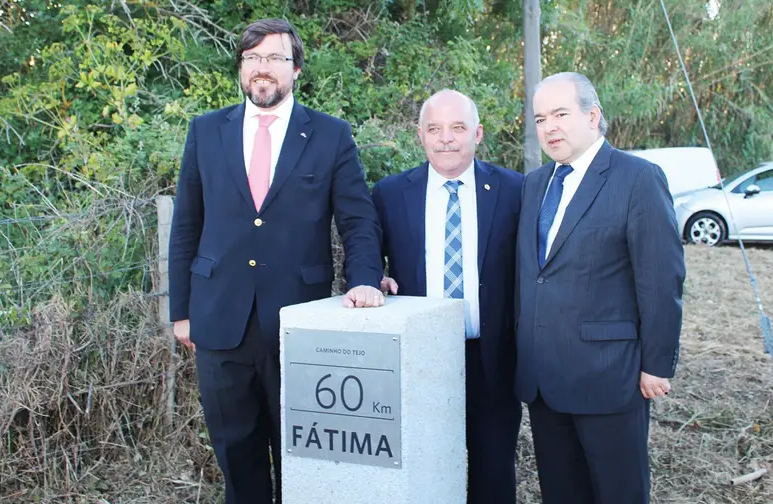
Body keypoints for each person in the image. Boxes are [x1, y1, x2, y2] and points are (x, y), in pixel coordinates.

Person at [167, 18, 385, 504]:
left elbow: (357, 220)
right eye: (252, 58)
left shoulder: (330, 135)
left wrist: (365, 279)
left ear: (297, 68)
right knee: (236, 456)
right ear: (241, 68)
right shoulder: (206, 132)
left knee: (302, 458)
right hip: (219, 321)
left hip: (298, 323)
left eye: (274, 58)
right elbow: (186, 226)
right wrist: (180, 312)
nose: (262, 69)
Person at [514, 72, 685, 504]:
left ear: (593, 116)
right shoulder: (535, 184)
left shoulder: (638, 178)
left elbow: (661, 279)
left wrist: (657, 364)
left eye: (560, 114)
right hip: (544, 381)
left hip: (610, 377)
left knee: (617, 493)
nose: (549, 127)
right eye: (539, 118)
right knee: (561, 492)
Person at [371, 89, 523, 504]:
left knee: (493, 470)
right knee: (425, 469)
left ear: (478, 134)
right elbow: (365, 248)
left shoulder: (515, 190)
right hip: (420, 358)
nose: (447, 139)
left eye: (458, 128)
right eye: (435, 129)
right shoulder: (389, 193)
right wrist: (371, 280)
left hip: (492, 356)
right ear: (419, 135)